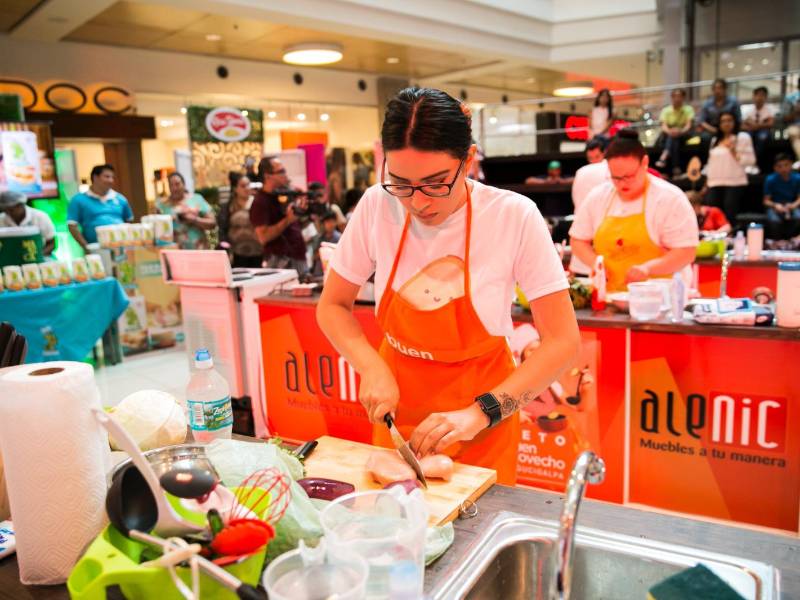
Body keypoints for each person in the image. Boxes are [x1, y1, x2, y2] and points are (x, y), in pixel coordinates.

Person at [317, 87, 579, 485]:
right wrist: (371, 366)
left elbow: (562, 341)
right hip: (396, 409)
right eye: (400, 183)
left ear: (468, 160)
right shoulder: (376, 205)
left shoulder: (513, 216)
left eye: (436, 183)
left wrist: (481, 413)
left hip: (483, 415)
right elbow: (333, 306)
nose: (418, 202)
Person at [569, 129, 698, 292]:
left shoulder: (669, 198)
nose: (622, 183)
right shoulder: (599, 197)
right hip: (609, 296)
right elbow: (578, 240)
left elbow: (687, 252)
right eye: (616, 177)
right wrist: (596, 262)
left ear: (644, 163)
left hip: (661, 297)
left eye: (629, 176)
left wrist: (648, 269)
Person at [249, 156, 309, 275]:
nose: (285, 174)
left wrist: (301, 211)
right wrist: (288, 220)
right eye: (281, 171)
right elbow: (263, 237)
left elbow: (295, 224)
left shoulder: (283, 195)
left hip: (296, 257)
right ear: (267, 176)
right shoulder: (260, 201)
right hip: (280, 261)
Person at [705, 111, 756, 225]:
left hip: (734, 182)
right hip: (714, 182)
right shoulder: (715, 140)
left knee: (730, 215)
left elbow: (751, 161)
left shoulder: (743, 137)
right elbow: (711, 163)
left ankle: (731, 235)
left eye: (729, 120)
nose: (726, 123)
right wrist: (706, 183)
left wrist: (734, 151)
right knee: (713, 214)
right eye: (723, 121)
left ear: (735, 122)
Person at [67, 164, 133, 252]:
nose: (111, 180)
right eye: (107, 177)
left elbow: (129, 221)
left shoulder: (120, 199)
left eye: (112, 177)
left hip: (121, 248)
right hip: (95, 249)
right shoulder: (78, 200)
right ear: (95, 177)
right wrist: (86, 247)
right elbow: (72, 225)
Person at [155, 172, 216, 250]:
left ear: (184, 184)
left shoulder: (197, 199)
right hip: (175, 252)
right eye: (171, 185)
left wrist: (194, 220)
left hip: (199, 250)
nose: (174, 188)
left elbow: (212, 223)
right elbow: (156, 230)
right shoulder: (162, 205)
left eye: (177, 184)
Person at [218, 172, 263, 268]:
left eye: (248, 185)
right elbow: (223, 229)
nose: (247, 188)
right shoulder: (228, 207)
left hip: (258, 251)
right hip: (236, 253)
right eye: (243, 186)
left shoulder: (257, 203)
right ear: (235, 188)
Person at [0, 191, 57, 256]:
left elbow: (52, 244)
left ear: (21, 205)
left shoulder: (40, 217)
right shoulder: (1, 219)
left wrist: (36, 256)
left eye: (11, 210)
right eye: (5, 210)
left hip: (40, 256)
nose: (8, 213)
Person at [656, 88, 695, 175]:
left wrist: (680, 131)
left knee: (675, 137)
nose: (677, 98)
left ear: (683, 98)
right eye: (675, 96)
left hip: (684, 134)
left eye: (679, 96)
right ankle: (676, 167)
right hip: (669, 135)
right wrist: (671, 132)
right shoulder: (666, 110)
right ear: (672, 97)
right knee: (674, 138)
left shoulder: (688, 109)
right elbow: (663, 126)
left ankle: (665, 155)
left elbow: (688, 126)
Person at [698, 79, 741, 153]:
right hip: (712, 129)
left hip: (730, 129)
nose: (717, 91)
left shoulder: (733, 101)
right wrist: (714, 130)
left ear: (725, 89)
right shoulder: (707, 103)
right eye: (715, 88)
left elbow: (738, 119)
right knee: (704, 138)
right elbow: (702, 121)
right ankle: (707, 159)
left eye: (720, 88)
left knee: (737, 138)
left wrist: (729, 129)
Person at [763, 153, 800, 240]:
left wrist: (793, 205)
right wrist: (775, 205)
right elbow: (766, 201)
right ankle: (777, 241)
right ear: (775, 168)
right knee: (774, 220)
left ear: (791, 165)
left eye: (786, 165)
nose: (783, 169)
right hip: (776, 206)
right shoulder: (770, 179)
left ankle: (791, 240)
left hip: (791, 205)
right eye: (780, 166)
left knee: (798, 217)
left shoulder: (797, 178)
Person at [742, 86, 775, 165]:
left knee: (762, 137)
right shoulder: (747, 109)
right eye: (758, 95)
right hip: (750, 131)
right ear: (753, 96)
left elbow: (770, 123)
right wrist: (756, 125)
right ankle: (746, 161)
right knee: (745, 137)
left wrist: (756, 125)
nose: (760, 98)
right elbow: (743, 124)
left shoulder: (770, 108)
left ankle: (755, 161)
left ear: (766, 97)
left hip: (764, 131)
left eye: (762, 95)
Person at [311, 211, 342, 275]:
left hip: (334, 272)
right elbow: (314, 256)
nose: (331, 224)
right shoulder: (319, 238)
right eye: (328, 222)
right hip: (319, 272)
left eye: (333, 221)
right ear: (324, 223)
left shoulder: (340, 237)